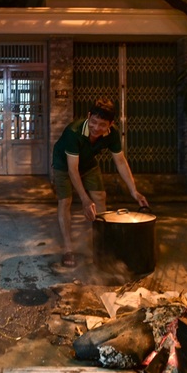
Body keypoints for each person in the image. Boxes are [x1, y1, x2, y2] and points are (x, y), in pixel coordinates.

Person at [51, 98, 148, 268]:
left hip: (88, 164)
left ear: (110, 124)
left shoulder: (113, 134)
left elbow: (120, 161)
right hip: (63, 166)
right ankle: (68, 248)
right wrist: (85, 199)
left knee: (100, 197)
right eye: (93, 122)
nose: (96, 128)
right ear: (88, 116)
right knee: (65, 201)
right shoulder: (73, 132)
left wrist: (134, 190)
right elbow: (72, 170)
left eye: (102, 124)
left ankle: (100, 244)